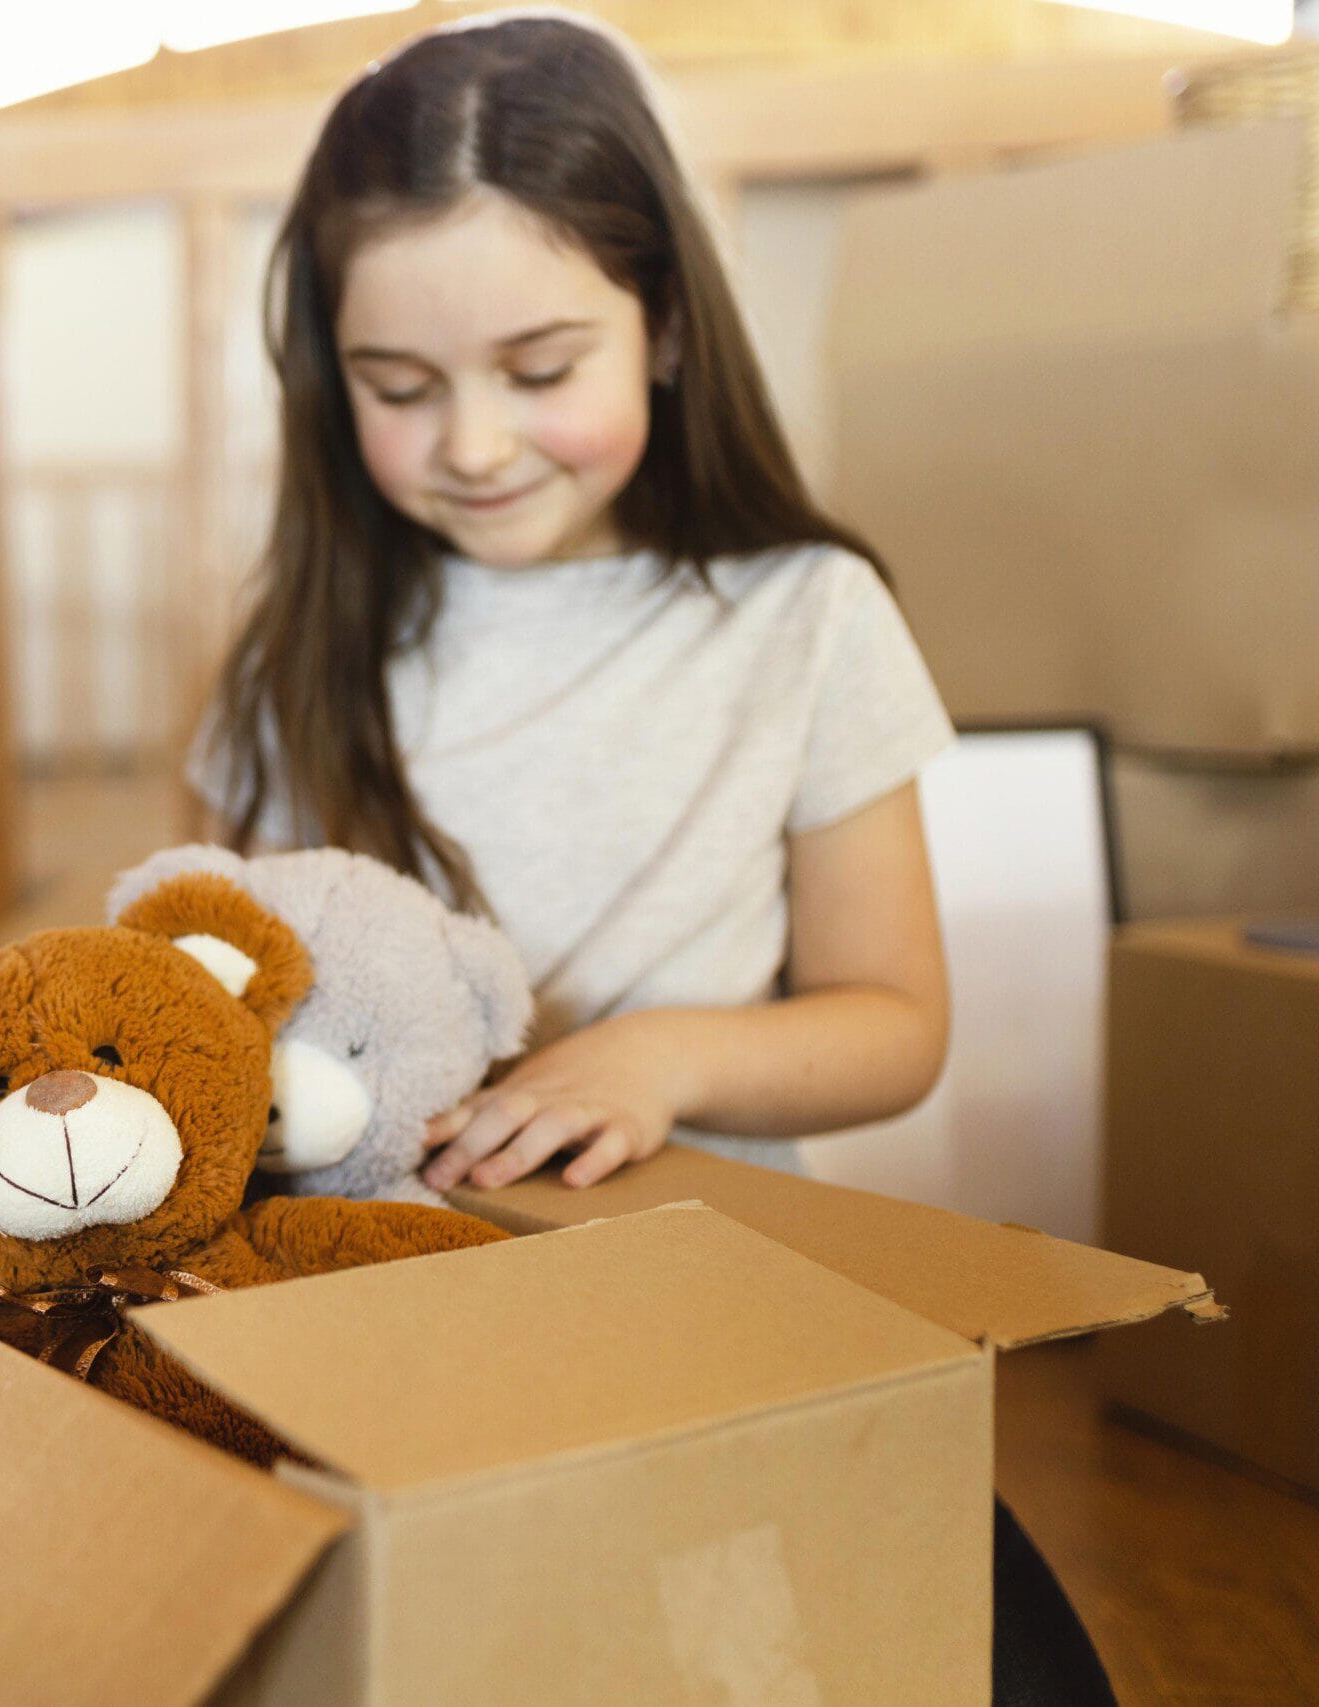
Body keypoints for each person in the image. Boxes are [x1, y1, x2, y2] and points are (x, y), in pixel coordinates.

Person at [192, 16, 1112, 1703]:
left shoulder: (806, 619)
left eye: (541, 371)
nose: (473, 443)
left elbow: (896, 1016)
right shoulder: (308, 648)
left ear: (668, 327)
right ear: (338, 380)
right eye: (403, 391)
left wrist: (662, 1058)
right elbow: (213, 998)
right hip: (394, 1315)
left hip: (723, 1298)